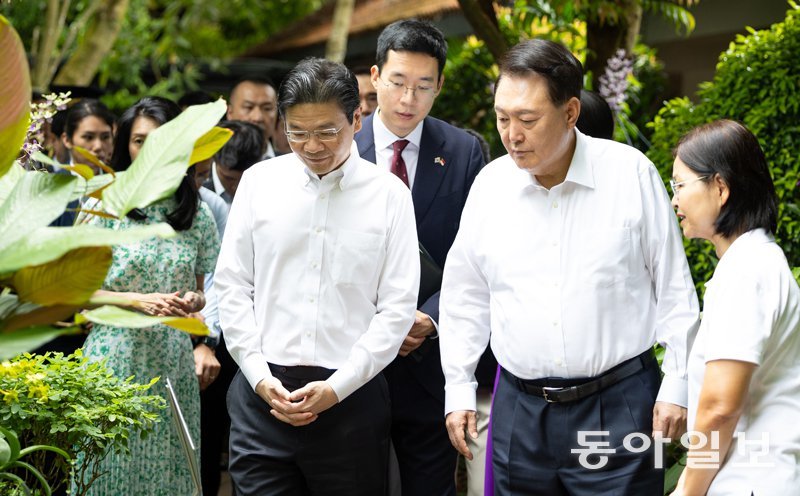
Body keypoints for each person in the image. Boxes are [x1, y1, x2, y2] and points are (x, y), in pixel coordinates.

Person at [440, 39, 699, 496]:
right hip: (520, 410)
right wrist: (458, 386)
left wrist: (677, 383)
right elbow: (466, 295)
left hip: (617, 404)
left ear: (571, 112)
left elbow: (674, 289)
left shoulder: (629, 175)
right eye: (502, 118)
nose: (512, 135)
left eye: (527, 119)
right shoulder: (491, 186)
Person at [215, 57, 420, 496]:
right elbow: (232, 286)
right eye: (297, 133)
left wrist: (337, 387)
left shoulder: (390, 197)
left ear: (357, 119)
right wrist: (257, 374)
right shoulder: (258, 183)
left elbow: (397, 308)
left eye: (327, 131)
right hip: (262, 395)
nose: (311, 146)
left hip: (351, 400)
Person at [354, 19, 486, 496]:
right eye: (398, 83)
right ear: (374, 77)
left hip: (429, 362)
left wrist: (429, 319)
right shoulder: (342, 148)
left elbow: (475, 256)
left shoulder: (465, 151)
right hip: (353, 361)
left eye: (423, 87)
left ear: (439, 87)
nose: (408, 100)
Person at [72, 96, 220, 496]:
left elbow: (202, 293)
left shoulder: (196, 211)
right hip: (112, 357)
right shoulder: (103, 202)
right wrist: (136, 300)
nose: (147, 151)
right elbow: (76, 291)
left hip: (172, 361)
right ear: (126, 145)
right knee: (105, 473)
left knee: (171, 473)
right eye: (139, 141)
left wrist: (190, 301)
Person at [668, 120, 800, 496]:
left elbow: (720, 406)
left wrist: (687, 490)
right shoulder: (754, 261)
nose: (674, 200)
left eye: (680, 185)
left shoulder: (747, 271)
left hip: (750, 481)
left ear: (720, 188)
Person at [194, 120, 263, 496]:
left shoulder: (268, 187)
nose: (235, 186)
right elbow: (217, 274)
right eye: (227, 177)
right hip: (211, 330)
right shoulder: (209, 202)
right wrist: (209, 334)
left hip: (255, 329)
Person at [202, 120, 264, 203]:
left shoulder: (272, 182)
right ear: (214, 158)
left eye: (245, 178)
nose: (237, 187)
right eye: (229, 178)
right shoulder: (197, 190)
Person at [226, 76, 278, 159]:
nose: (257, 118)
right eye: (248, 107)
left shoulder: (292, 166)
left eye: (267, 108)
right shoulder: (205, 164)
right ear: (230, 112)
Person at [60, 98, 115, 167]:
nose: (98, 146)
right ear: (67, 140)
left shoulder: (119, 177)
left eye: (105, 137)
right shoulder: (54, 177)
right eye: (89, 137)